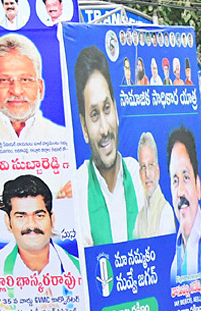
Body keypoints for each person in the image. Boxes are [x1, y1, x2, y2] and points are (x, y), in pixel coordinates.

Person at [0, 175, 82, 311]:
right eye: (21, 216)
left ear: (52, 219)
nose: (31, 225)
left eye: (39, 215)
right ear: (8, 222)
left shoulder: (80, 272)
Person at [70, 46, 145, 246]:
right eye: (94, 115)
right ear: (84, 128)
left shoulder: (140, 177)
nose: (104, 129)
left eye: (106, 108)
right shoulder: (77, 189)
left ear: (116, 111)